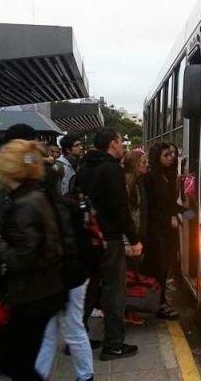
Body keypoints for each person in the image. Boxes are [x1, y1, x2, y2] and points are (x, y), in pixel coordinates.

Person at [0, 139, 66, 380]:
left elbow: (22, 257)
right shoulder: (35, 195)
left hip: (32, 295)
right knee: (23, 362)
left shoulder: (24, 203)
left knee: (21, 366)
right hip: (43, 291)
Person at [75, 128, 140, 361]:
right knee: (114, 290)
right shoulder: (112, 169)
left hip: (88, 237)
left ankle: (76, 339)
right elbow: (121, 209)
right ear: (113, 143)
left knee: (90, 288)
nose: (123, 146)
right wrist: (134, 239)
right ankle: (113, 344)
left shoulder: (83, 167)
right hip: (110, 239)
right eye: (121, 141)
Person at [34, 165, 95, 381]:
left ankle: (85, 375)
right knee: (60, 329)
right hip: (72, 278)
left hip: (64, 279)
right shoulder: (66, 206)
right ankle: (83, 375)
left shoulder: (48, 210)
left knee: (63, 330)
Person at [144, 142, 181, 320]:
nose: (171, 158)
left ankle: (161, 301)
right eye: (166, 155)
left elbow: (172, 206)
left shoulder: (169, 176)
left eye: (172, 154)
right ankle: (158, 304)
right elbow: (151, 208)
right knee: (159, 267)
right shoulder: (150, 178)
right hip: (157, 231)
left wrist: (190, 214)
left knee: (166, 267)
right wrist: (170, 218)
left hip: (168, 231)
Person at [123, 149, 149, 325]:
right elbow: (127, 216)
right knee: (129, 276)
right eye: (143, 162)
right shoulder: (127, 185)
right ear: (134, 164)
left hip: (137, 236)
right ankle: (127, 311)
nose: (146, 165)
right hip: (130, 239)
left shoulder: (139, 182)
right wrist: (131, 241)